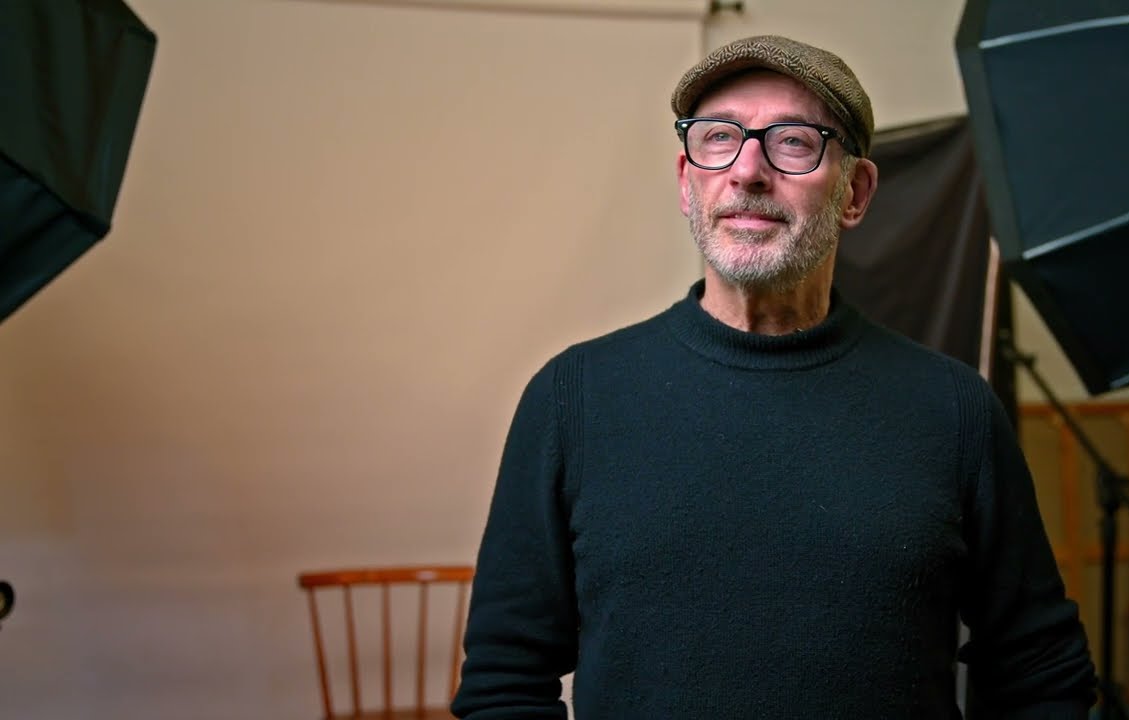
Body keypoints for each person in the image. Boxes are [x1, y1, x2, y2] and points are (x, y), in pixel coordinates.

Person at [451, 35, 1096, 719]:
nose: (747, 170)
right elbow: (504, 682)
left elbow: (1040, 673)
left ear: (855, 193)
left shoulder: (954, 409)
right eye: (719, 137)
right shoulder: (572, 400)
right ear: (686, 182)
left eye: (792, 142)